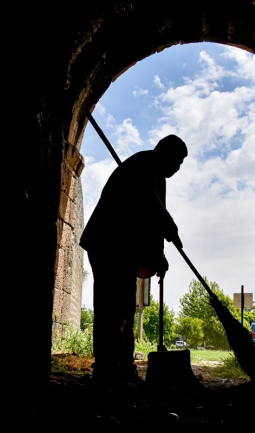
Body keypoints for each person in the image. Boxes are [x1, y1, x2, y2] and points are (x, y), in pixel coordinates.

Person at [80, 134, 188, 388]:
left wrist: (158, 256)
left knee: (125, 308)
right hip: (108, 242)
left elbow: (145, 221)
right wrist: (169, 224)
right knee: (112, 309)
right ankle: (107, 372)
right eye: (177, 160)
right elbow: (148, 203)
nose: (178, 167)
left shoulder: (155, 173)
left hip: (122, 246)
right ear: (164, 152)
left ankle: (124, 368)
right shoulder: (145, 164)